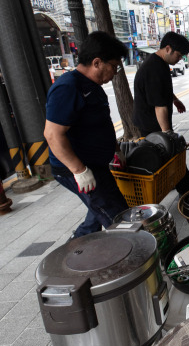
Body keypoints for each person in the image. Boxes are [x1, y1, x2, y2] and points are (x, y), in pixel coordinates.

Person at [43, 31, 129, 239]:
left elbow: (102, 124)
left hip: (97, 164)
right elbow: (53, 134)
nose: (115, 72)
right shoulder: (68, 87)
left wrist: (116, 150)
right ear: (97, 62)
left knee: (97, 213)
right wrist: (79, 170)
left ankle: (75, 249)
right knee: (120, 219)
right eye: (114, 67)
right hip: (76, 168)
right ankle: (134, 260)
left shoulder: (95, 87)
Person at [133, 31, 189, 196]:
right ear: (168, 48)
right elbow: (159, 106)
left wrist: (175, 99)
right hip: (151, 124)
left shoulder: (160, 63)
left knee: (167, 160)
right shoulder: (153, 68)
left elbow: (163, 90)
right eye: (179, 54)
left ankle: (183, 189)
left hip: (154, 123)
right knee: (171, 157)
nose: (180, 59)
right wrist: (168, 134)